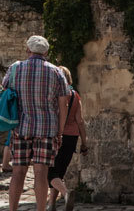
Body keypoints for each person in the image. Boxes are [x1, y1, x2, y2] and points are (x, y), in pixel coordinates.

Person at [1, 35, 70, 211]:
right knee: (41, 173)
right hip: (47, 129)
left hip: (20, 127)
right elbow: (64, 105)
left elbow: (4, 89)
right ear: (46, 52)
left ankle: (12, 209)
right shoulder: (56, 72)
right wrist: (60, 132)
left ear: (27, 50)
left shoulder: (15, 68)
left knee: (18, 173)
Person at [47, 66, 88, 210]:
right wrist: (84, 143)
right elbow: (80, 121)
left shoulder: (55, 94)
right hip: (72, 137)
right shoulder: (75, 95)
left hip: (56, 134)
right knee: (59, 172)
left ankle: (65, 193)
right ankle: (51, 204)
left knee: (50, 172)